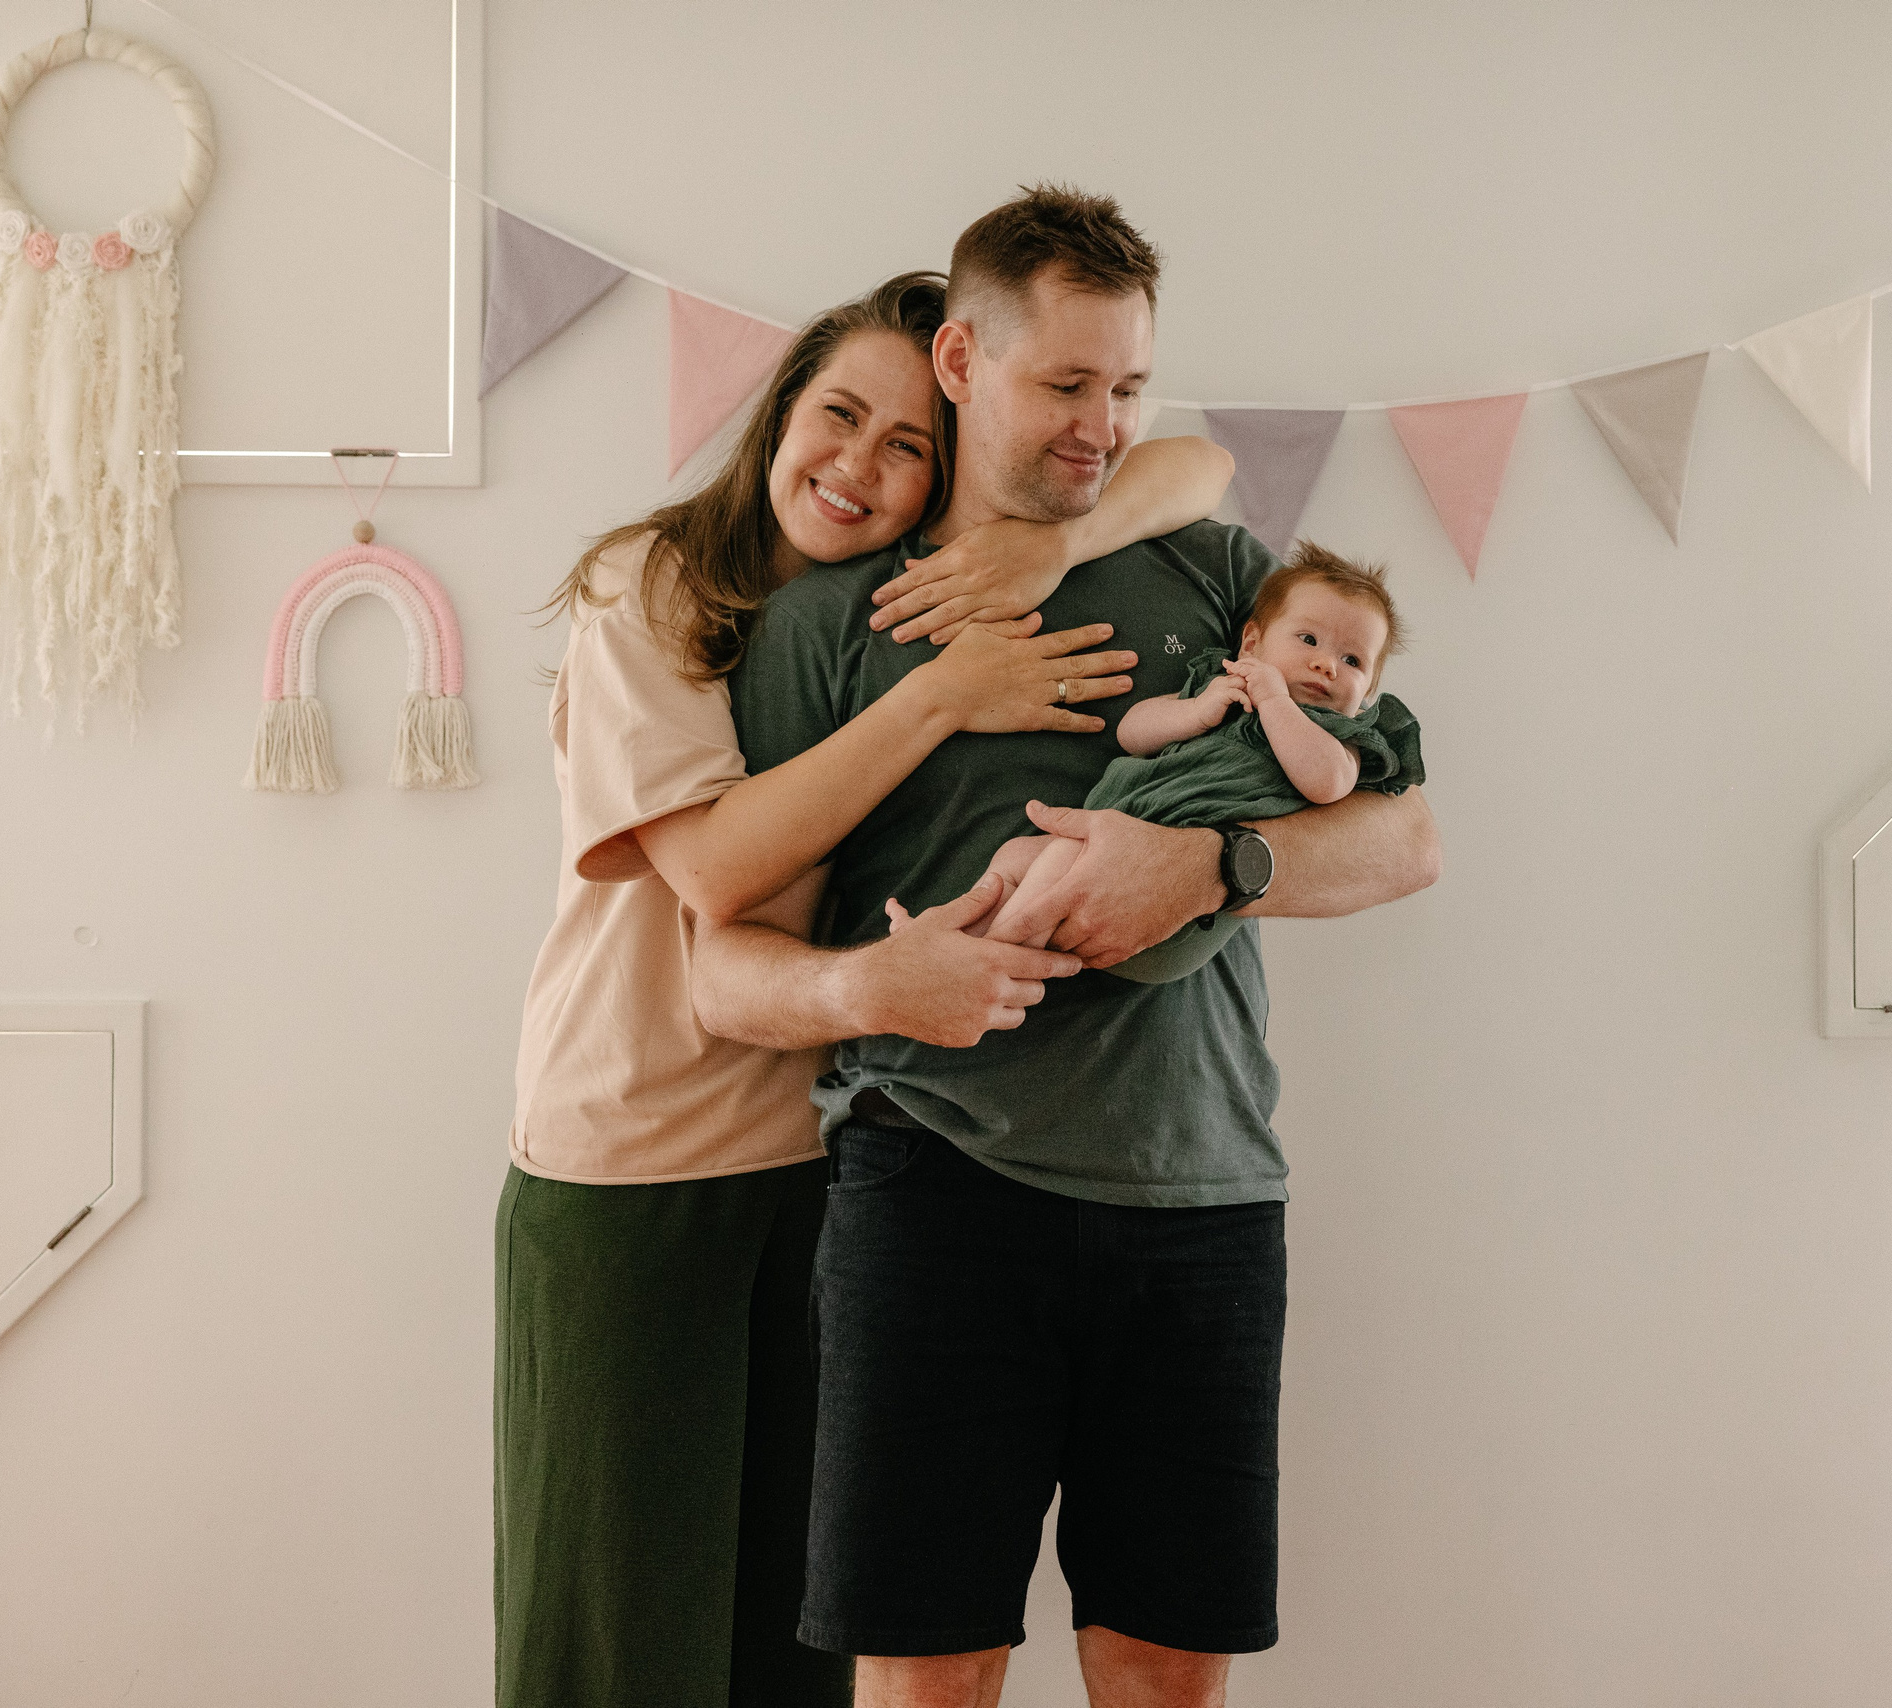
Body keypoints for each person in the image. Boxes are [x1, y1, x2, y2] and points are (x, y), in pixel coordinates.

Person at [697, 187, 1443, 1708]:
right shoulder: (827, 624)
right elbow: (725, 957)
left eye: (1127, 388)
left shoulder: (1223, 574)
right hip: (934, 1187)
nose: (1102, 425)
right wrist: (861, 989)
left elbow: (1402, 841)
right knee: (932, 1672)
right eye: (1065, 385)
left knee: (1166, 1668)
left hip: (1205, 1189)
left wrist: (1206, 869)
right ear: (961, 363)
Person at [498, 269, 1235, 1708]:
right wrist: (947, 694)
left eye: (909, 445)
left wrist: (1059, 541)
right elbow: (711, 870)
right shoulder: (653, 590)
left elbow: (1197, 459)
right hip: (635, 1156)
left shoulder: (884, 602)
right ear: (778, 412)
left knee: (791, 1637)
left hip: (823, 1160)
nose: (861, 466)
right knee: (620, 1637)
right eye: (839, 417)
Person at [969, 541, 1422, 982]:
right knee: (1016, 855)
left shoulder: (1338, 737)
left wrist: (1274, 699)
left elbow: (1327, 783)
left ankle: (990, 961)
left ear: (1367, 693)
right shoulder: (1219, 686)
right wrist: (1194, 712)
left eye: (1353, 660)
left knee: (1060, 861)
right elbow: (1132, 733)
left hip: (1171, 908)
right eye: (1308, 639)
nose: (1327, 665)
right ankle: (957, 933)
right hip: (1119, 832)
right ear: (1251, 644)